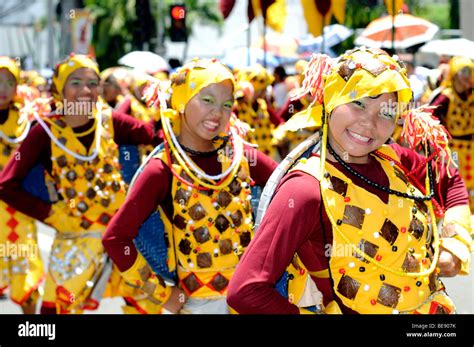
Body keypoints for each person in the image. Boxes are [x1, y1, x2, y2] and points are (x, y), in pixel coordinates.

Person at [227, 47, 473, 314]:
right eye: (358, 103)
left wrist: (454, 246)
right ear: (331, 98)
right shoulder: (305, 190)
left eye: (387, 112)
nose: (369, 123)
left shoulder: (395, 158)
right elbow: (246, 290)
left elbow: (450, 177)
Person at [102, 58, 278, 314]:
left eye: (226, 104)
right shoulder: (163, 168)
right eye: (207, 100)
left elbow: (288, 187)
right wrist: (162, 293)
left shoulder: (242, 154)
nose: (218, 112)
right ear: (181, 101)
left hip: (251, 300)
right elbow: (116, 239)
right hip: (199, 305)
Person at [0, 54, 163, 314]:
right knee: (55, 313)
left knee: (149, 300)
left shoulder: (110, 120)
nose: (86, 90)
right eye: (76, 83)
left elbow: (154, 135)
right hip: (76, 236)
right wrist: (54, 215)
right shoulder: (45, 131)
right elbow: (6, 184)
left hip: (120, 233)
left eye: (93, 83)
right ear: (59, 89)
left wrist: (177, 111)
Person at [0, 56, 44, 314]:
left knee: (25, 272)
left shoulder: (26, 119)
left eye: (9, 82)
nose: (2, 88)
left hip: (17, 209)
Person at [430, 56, 474, 212]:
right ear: (455, 74)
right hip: (453, 149)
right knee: (454, 180)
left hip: (471, 148)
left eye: (470, 71)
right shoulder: (446, 96)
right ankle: (453, 213)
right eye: (464, 71)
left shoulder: (472, 96)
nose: (468, 76)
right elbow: (429, 115)